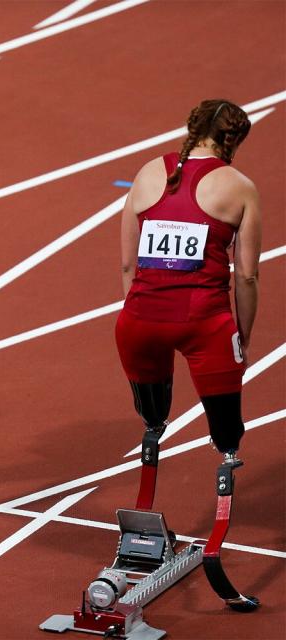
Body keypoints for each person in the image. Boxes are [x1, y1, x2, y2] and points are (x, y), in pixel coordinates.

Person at [116, 98, 259, 468]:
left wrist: (141, 314)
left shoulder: (147, 172)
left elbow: (127, 265)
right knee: (227, 428)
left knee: (152, 415)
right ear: (233, 141)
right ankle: (228, 455)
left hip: (138, 323)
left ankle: (152, 427)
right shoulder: (239, 186)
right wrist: (242, 336)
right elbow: (246, 275)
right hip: (204, 324)